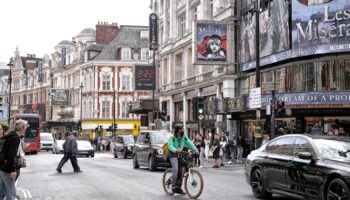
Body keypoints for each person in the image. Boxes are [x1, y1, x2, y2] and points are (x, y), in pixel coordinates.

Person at [0, 119, 27, 200]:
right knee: (11, 193)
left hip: (3, 167)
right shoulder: (15, 138)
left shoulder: (11, 136)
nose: (25, 129)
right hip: (8, 169)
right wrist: (13, 170)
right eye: (25, 127)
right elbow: (11, 155)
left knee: (2, 191)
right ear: (22, 128)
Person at [168, 125, 198, 195]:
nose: (184, 130)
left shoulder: (184, 138)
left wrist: (195, 149)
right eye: (182, 129)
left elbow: (190, 143)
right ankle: (174, 186)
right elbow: (170, 146)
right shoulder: (172, 138)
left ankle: (178, 187)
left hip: (180, 155)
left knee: (182, 170)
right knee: (175, 168)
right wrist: (176, 150)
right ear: (178, 130)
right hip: (173, 155)